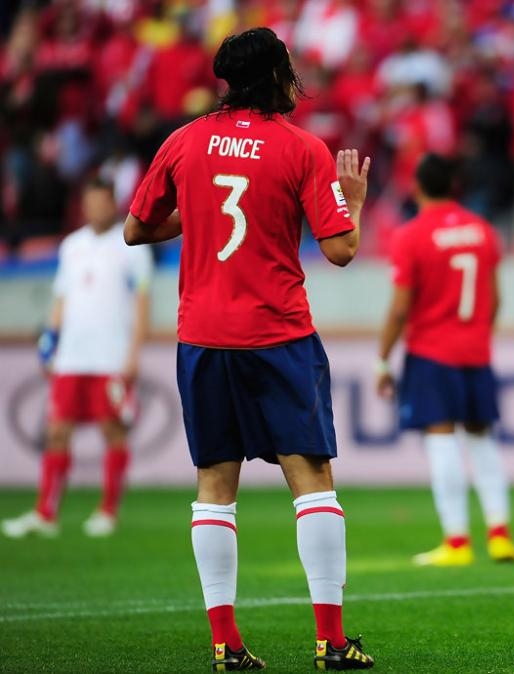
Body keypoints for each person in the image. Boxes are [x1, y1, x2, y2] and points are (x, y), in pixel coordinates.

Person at [123, 27, 374, 671]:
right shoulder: (301, 147)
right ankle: (331, 642)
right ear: (276, 76)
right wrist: (354, 203)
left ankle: (226, 645)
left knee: (214, 484)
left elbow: (135, 229)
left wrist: (199, 212)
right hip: (277, 334)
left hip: (203, 336)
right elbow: (341, 250)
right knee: (311, 481)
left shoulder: (184, 140)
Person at [375, 153, 514, 568]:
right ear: (454, 186)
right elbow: (495, 298)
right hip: (475, 351)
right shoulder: (481, 230)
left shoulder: (411, 235)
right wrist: (477, 336)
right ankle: (500, 535)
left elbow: (400, 308)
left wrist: (382, 359)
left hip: (432, 352)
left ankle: (457, 541)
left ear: (417, 186)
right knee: (482, 439)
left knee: (441, 441)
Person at [2, 177, 152, 540]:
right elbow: (61, 300)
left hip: (111, 356)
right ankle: (46, 512)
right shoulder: (72, 246)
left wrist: (134, 353)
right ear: (83, 206)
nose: (96, 208)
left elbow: (142, 304)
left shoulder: (132, 245)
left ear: (113, 204)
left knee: (112, 431)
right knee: (56, 431)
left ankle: (108, 511)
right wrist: (48, 344)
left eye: (102, 202)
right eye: (91, 202)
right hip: (71, 356)